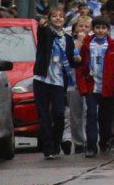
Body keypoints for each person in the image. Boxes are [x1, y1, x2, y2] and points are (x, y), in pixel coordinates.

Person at [76, 16, 114, 157]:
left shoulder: (112, 46)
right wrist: (83, 87)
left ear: (108, 30)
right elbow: (80, 68)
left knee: (105, 117)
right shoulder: (87, 44)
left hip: (107, 88)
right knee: (91, 114)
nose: (100, 30)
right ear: (93, 29)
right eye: (97, 28)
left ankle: (104, 142)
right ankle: (91, 146)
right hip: (91, 87)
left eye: (103, 28)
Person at [33, 9, 82, 159]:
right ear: (49, 19)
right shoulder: (47, 33)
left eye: (61, 16)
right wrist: (41, 25)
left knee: (59, 114)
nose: (58, 18)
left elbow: (71, 60)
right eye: (54, 16)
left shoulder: (67, 39)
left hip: (59, 81)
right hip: (42, 79)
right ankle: (48, 149)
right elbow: (41, 33)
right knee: (43, 115)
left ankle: (56, 145)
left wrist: (77, 61)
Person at [62, 16, 92, 155]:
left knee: (90, 112)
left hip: (90, 82)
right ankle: (78, 142)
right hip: (74, 82)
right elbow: (74, 58)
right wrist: (79, 42)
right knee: (75, 114)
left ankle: (90, 140)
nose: (83, 29)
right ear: (75, 29)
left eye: (86, 26)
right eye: (81, 26)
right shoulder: (71, 42)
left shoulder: (95, 41)